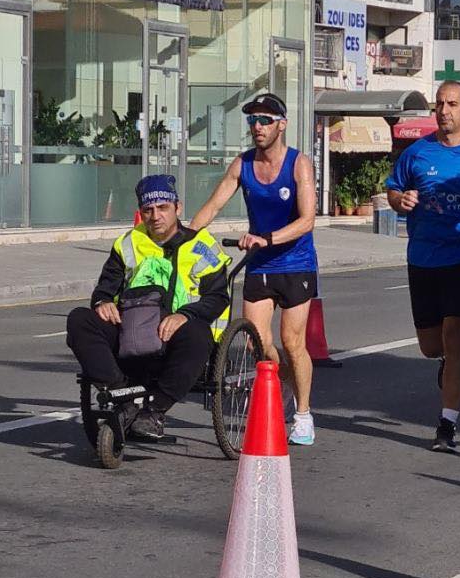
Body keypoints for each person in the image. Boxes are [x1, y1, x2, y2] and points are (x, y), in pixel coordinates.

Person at [190, 94, 319, 447]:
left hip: (296, 263)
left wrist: (268, 237)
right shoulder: (242, 164)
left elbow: (307, 221)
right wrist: (184, 237)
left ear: (282, 123)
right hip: (260, 265)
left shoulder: (299, 164)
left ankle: (303, 415)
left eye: (264, 120)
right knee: (256, 344)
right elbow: (214, 204)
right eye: (252, 121)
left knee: (293, 342)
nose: (257, 128)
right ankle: (286, 386)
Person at [66, 174, 231, 442]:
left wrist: (184, 315)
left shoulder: (202, 247)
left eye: (163, 208)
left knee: (199, 333)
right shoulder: (128, 243)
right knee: (79, 320)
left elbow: (217, 298)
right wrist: (103, 301)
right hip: (131, 336)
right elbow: (106, 285)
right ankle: (123, 399)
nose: (155, 216)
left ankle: (153, 411)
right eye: (148, 210)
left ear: (177, 208)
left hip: (176, 340)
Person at [385, 82, 460, 452]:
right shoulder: (417, 153)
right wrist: (400, 200)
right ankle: (449, 361)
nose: (443, 110)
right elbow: (392, 190)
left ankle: (446, 426)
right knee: (430, 345)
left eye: (451, 104)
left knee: (455, 336)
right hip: (423, 258)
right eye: (439, 104)